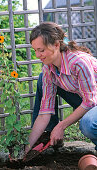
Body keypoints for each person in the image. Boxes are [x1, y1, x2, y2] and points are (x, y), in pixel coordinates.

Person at [25, 22, 97, 154]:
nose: (37, 55)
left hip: (92, 100)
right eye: (35, 50)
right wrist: (27, 147)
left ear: (57, 45)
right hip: (87, 99)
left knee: (88, 124)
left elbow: (90, 101)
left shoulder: (78, 63)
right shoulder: (48, 68)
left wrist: (61, 126)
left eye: (41, 50)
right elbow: (44, 112)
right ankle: (46, 136)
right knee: (42, 78)